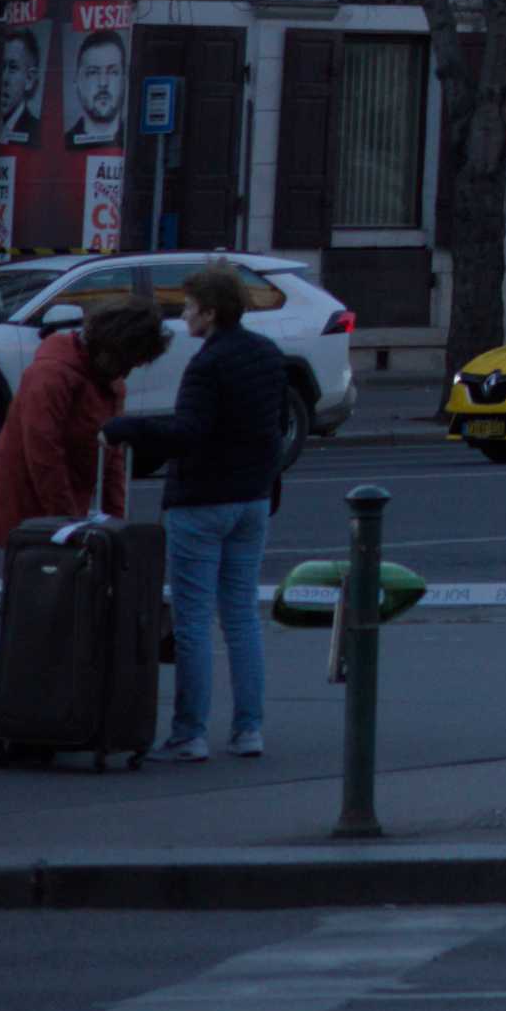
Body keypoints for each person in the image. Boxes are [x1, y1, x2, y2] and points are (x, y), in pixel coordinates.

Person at [159, 265, 300, 767]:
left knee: (193, 622)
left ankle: (189, 734)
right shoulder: (266, 355)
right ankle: (248, 730)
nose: (183, 314)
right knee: (241, 617)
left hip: (200, 501)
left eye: (189, 306)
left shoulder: (206, 365)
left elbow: (188, 432)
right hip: (252, 500)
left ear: (211, 312)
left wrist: (131, 431)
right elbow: (277, 427)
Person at [0, 300, 165, 557]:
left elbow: (112, 459)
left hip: (62, 511)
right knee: (39, 587)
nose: (125, 374)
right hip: (25, 511)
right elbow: (43, 453)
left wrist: (117, 527)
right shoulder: (51, 374)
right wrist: (69, 524)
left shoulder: (109, 382)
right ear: (109, 348)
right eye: (125, 363)